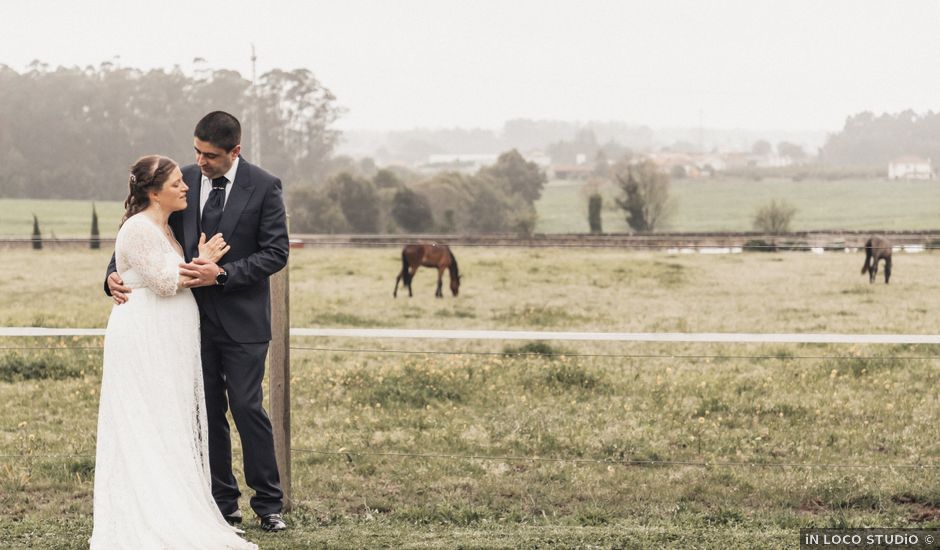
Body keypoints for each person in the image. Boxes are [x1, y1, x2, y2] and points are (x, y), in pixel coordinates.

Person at [105, 112, 290, 532]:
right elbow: (140, 235)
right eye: (196, 152)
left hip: (243, 323)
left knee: (246, 407)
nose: (199, 163)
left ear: (235, 151)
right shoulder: (177, 182)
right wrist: (111, 275)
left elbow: (276, 253)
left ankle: (269, 503)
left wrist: (221, 274)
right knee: (204, 411)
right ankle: (220, 503)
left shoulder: (264, 186)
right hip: (187, 325)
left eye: (210, 155)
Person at [91, 155, 256, 549]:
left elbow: (163, 273)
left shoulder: (165, 227)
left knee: (168, 419)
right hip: (146, 336)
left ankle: (176, 502)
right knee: (147, 420)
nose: (186, 186)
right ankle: (151, 511)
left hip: (167, 339)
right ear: (153, 191)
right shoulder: (138, 227)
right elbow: (165, 283)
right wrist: (206, 261)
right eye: (177, 182)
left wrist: (193, 257)